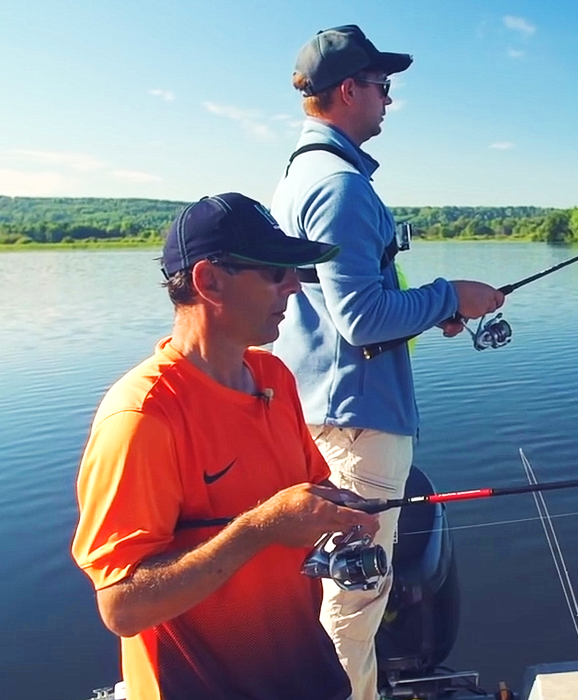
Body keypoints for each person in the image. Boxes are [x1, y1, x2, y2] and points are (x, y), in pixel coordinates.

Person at [270, 24, 505, 700]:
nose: (387, 100)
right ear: (349, 90)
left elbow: (344, 310)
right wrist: (448, 295)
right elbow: (362, 318)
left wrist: (432, 313)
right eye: (381, 86)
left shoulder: (300, 174)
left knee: (340, 593)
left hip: (328, 408)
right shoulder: (339, 186)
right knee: (355, 599)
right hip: (360, 426)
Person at [70, 192, 379, 700]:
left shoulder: (271, 373)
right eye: (275, 273)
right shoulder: (143, 416)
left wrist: (333, 513)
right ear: (209, 281)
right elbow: (122, 607)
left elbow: (305, 492)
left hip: (306, 676)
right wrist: (261, 528)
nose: (294, 287)